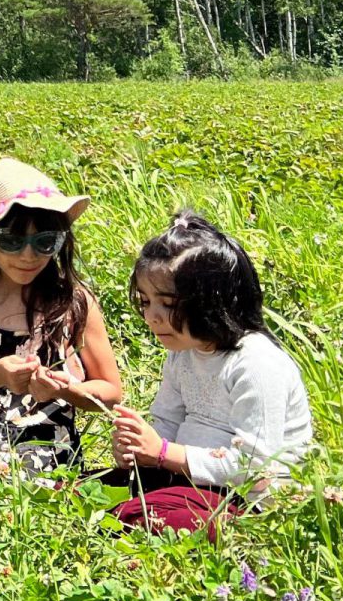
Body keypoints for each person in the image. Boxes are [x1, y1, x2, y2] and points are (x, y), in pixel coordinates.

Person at [106, 211, 313, 535]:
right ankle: (131, 511)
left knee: (142, 516)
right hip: (184, 480)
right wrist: (136, 449)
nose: (152, 317)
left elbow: (256, 468)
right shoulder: (181, 353)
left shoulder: (255, 364)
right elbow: (167, 422)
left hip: (246, 499)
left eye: (167, 304)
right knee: (83, 493)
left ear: (211, 301)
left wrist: (161, 453)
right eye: (146, 302)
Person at [0, 159, 124, 472]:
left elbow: (111, 392)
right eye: (11, 241)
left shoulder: (73, 302)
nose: (28, 256)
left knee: (21, 481)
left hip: (45, 442)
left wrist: (67, 390)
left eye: (45, 242)